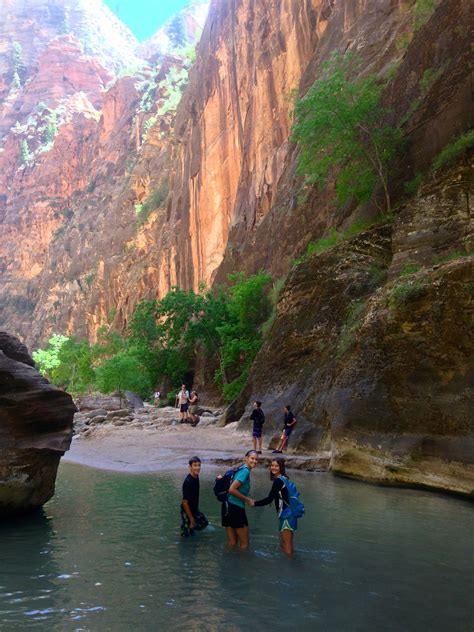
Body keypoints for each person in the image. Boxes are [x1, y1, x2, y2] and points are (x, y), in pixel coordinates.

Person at [254, 458, 296, 555]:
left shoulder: (278, 481)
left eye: (276, 466)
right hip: (287, 514)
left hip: (287, 515)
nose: (273, 468)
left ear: (281, 467)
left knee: (287, 546)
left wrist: (254, 503)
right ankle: (288, 565)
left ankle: (290, 566)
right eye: (272, 465)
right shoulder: (284, 478)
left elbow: (270, 499)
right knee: (284, 544)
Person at [222, 450, 258, 550]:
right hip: (235, 507)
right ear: (246, 458)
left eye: (256, 459)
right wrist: (248, 500)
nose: (254, 461)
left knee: (232, 543)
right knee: (244, 544)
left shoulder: (241, 468)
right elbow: (232, 489)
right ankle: (243, 565)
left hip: (226, 506)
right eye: (252, 458)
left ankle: (229, 563)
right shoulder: (245, 471)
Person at [180, 456, 208, 537]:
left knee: (204, 523)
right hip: (187, 510)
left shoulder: (196, 476)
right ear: (190, 467)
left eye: (199, 465)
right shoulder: (188, 482)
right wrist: (191, 519)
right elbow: (185, 503)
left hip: (194, 509)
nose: (198, 468)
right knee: (186, 534)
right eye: (195, 465)